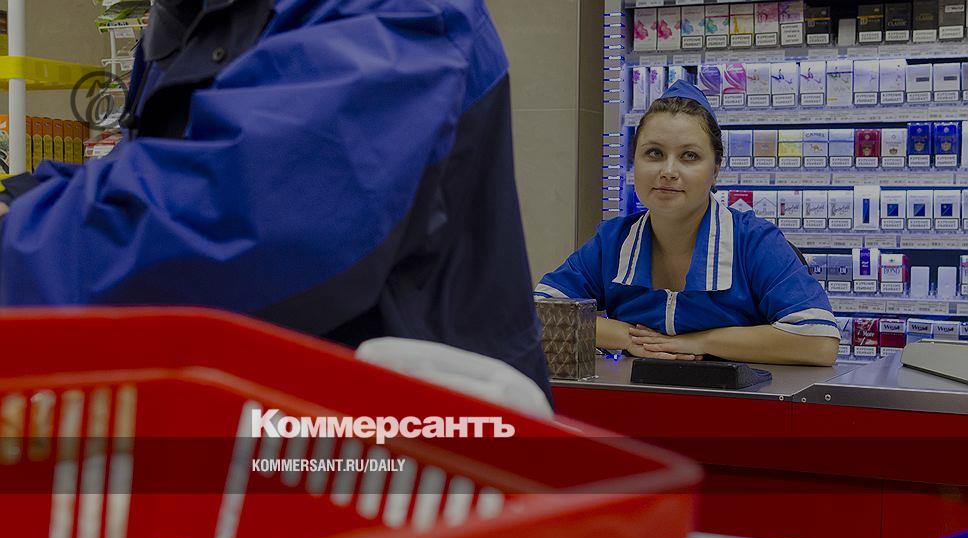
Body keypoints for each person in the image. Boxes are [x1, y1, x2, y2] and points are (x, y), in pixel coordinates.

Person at [0, 0, 552, 397]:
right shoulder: (197, 16)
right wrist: (20, 199)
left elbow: (232, 229)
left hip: (407, 464)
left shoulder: (393, 12)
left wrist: (16, 243)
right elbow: (152, 172)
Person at [534, 80, 839, 366]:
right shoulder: (613, 240)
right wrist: (628, 338)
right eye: (654, 153)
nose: (668, 171)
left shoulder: (755, 242)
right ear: (633, 161)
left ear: (715, 170)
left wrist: (699, 342)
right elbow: (534, 314)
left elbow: (819, 341)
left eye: (689, 156)